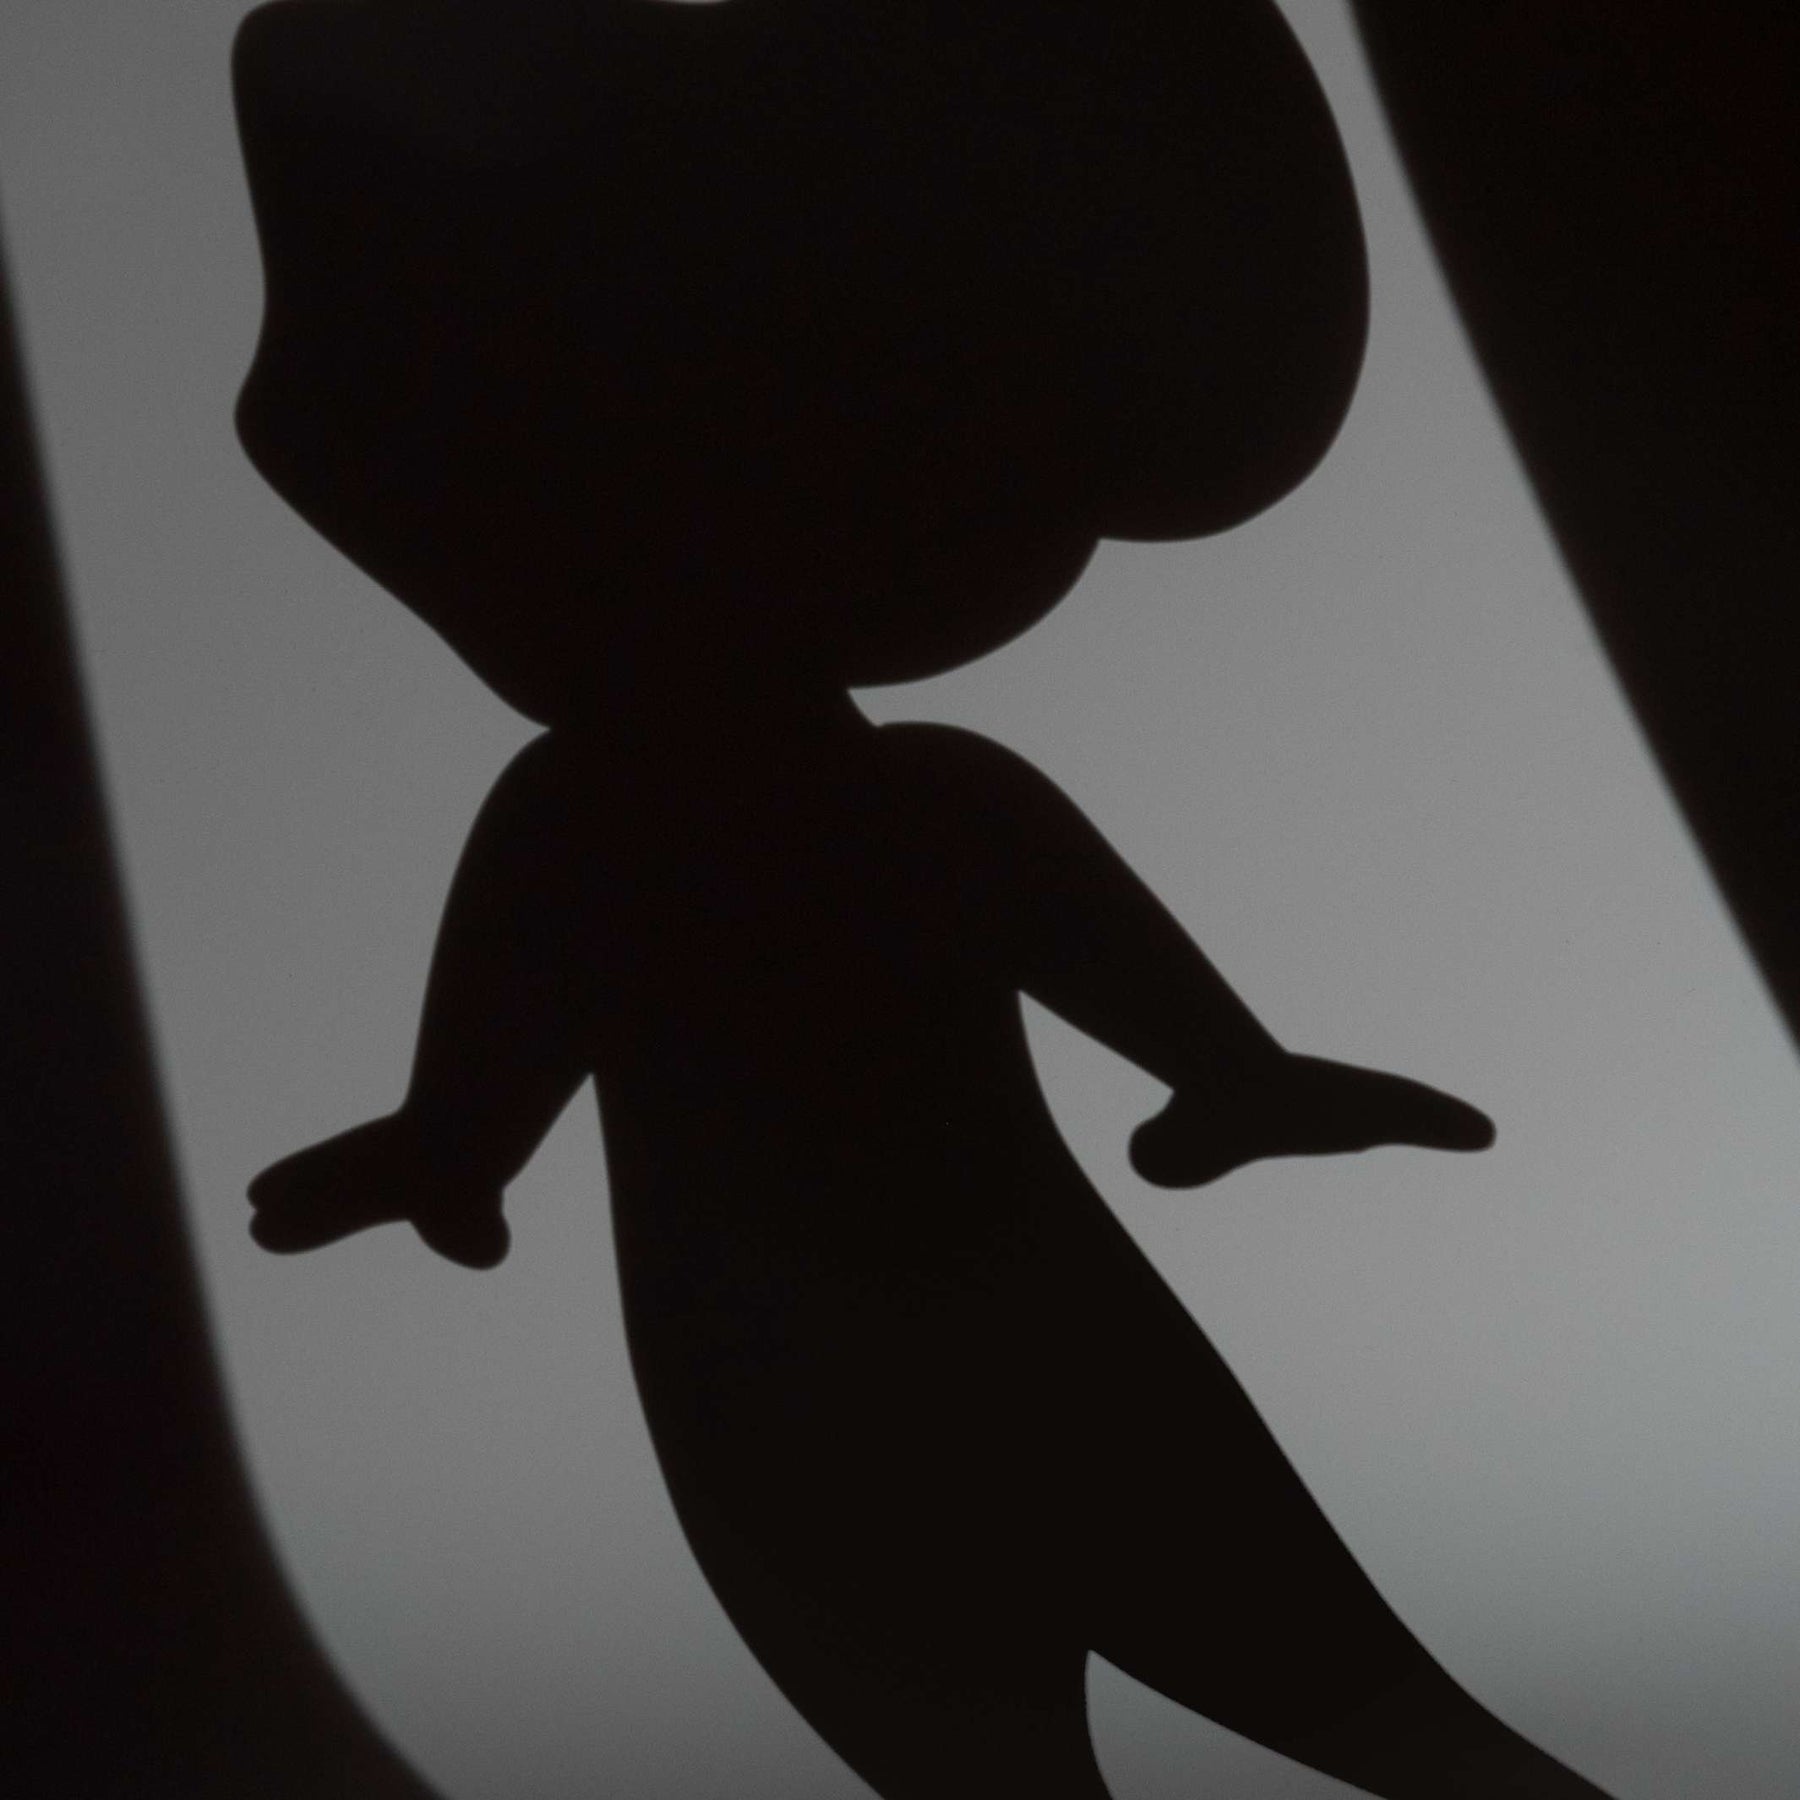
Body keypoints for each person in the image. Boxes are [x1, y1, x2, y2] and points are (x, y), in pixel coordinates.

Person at [236, 2, 1612, 1792]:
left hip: (867, 1372)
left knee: (1342, 1704)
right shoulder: (774, 805)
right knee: (1318, 1713)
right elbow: (502, 1056)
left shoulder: (690, 809)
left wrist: (445, 1154)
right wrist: (443, 1151)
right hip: (891, 1371)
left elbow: (506, 1057)